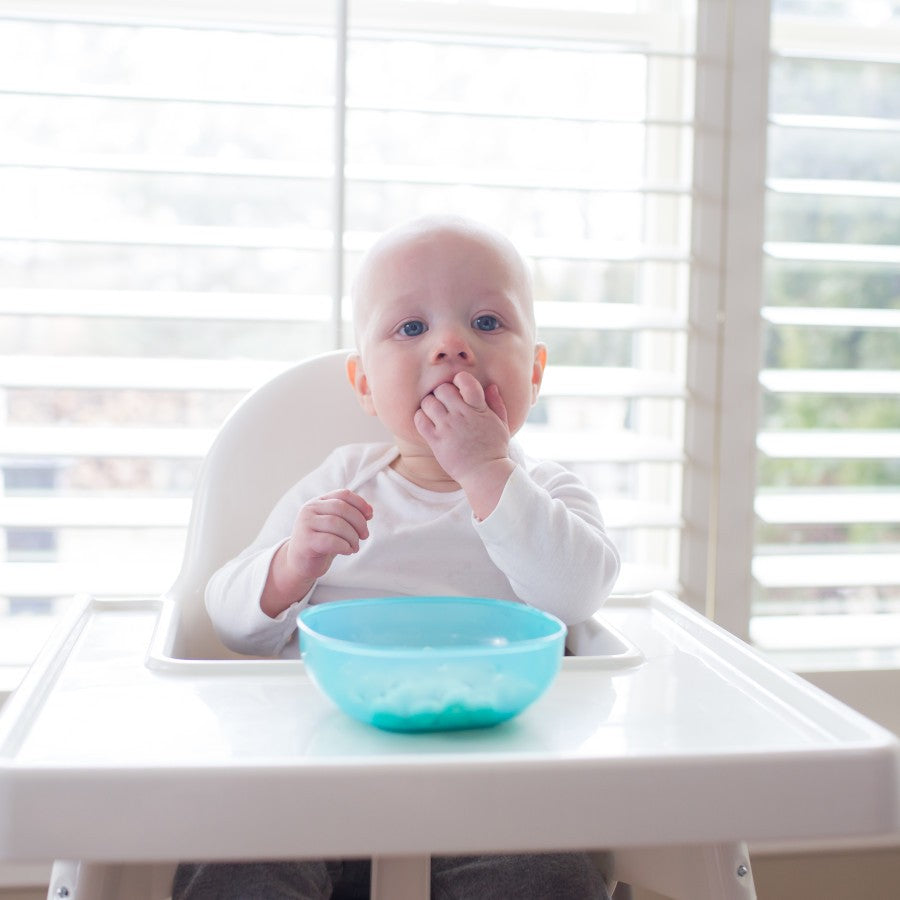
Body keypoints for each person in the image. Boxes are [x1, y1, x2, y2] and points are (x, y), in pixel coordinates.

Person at [173, 215, 620, 900]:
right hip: (316, 780)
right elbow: (230, 620)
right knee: (234, 862)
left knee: (552, 876)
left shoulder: (548, 495)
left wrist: (487, 469)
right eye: (411, 329)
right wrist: (293, 563)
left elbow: (577, 595)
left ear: (534, 370)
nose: (451, 346)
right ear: (364, 385)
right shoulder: (340, 481)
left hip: (500, 796)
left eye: (488, 323)